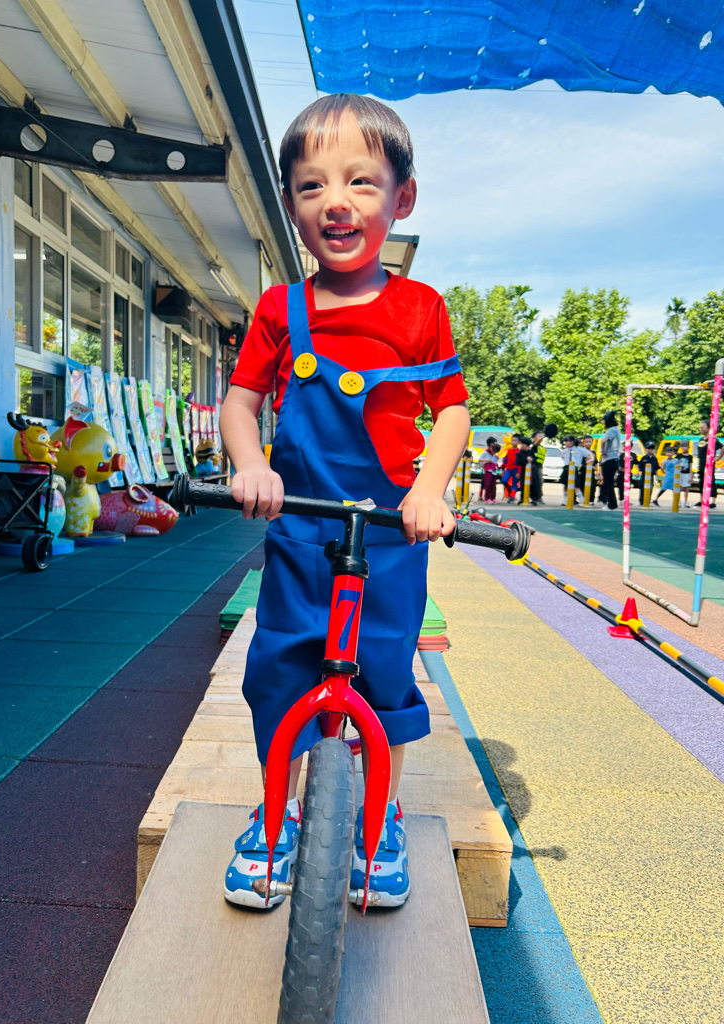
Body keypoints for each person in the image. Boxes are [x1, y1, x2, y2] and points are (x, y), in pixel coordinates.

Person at [219, 93, 470, 910]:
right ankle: (276, 811)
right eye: (312, 185)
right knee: (280, 667)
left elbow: (452, 411)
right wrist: (250, 465)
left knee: (386, 670)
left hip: (392, 532)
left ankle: (379, 813)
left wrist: (429, 490)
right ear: (291, 205)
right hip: (300, 528)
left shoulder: (420, 309)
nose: (336, 201)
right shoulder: (279, 309)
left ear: (402, 199)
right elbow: (240, 403)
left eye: (361, 182)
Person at [695, 419, 723, 508]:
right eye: (700, 427)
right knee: (701, 481)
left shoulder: (712, 439)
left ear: (708, 428)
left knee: (711, 481)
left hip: (709, 464)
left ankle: (712, 501)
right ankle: (701, 500)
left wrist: (718, 458)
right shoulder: (701, 439)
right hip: (701, 463)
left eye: (703, 427)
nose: (701, 429)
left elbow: (722, 447)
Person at [598, 411, 621, 510]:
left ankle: (611, 504)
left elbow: (604, 440)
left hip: (609, 458)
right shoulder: (617, 430)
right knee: (609, 482)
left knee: (608, 483)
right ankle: (612, 503)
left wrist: (603, 451)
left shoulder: (611, 430)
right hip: (614, 458)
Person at [560, 434, 585, 504]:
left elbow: (588, 454)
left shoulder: (578, 450)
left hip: (574, 468)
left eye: (569, 441)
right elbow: (562, 457)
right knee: (565, 484)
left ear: (573, 442)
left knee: (576, 485)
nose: (567, 443)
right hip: (567, 468)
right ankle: (565, 499)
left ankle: (581, 500)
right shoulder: (564, 451)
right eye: (566, 441)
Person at [478, 436, 499, 503]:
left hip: (493, 471)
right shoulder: (485, 452)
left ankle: (492, 498)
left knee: (493, 485)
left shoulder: (494, 453)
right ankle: (487, 497)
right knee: (487, 485)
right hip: (488, 470)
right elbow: (479, 459)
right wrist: (487, 460)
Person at [501, 433, 521, 502]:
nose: (513, 442)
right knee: (504, 480)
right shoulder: (509, 450)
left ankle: (512, 496)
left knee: (514, 483)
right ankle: (510, 490)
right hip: (508, 468)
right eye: (512, 440)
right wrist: (502, 466)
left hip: (515, 469)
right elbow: (505, 460)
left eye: (515, 441)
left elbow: (519, 463)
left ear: (518, 442)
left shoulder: (519, 451)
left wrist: (519, 472)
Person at [529, 430, 545, 504]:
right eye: (539, 436)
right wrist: (545, 435)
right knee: (535, 482)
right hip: (534, 466)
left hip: (540, 466)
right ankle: (534, 498)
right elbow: (536, 443)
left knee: (540, 482)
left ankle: (539, 497)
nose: (541, 437)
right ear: (534, 438)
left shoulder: (542, 447)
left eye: (542, 436)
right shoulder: (533, 446)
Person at [678, 443, 692, 507]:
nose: (684, 448)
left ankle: (686, 501)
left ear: (688, 447)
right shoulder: (678, 456)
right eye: (683, 446)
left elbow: (690, 467)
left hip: (686, 473)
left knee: (686, 488)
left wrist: (691, 476)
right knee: (679, 487)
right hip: (679, 473)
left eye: (685, 446)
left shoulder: (690, 457)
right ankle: (678, 501)